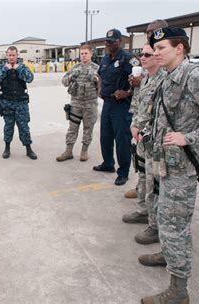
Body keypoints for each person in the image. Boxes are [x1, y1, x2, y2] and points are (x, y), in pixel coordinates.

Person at [140, 27, 199, 303]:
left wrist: (189, 138)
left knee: (174, 226)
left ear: (180, 47)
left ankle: (179, 291)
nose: (156, 53)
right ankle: (167, 254)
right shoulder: (169, 76)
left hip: (182, 170)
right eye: (154, 48)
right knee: (166, 222)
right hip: (165, 164)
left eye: (162, 47)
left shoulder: (195, 76)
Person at [121, 43, 166, 248]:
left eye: (148, 54)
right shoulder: (145, 79)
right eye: (142, 54)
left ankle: (155, 226)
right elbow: (138, 107)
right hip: (142, 138)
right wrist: (135, 127)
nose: (143, 58)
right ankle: (144, 211)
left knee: (154, 183)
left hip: (157, 142)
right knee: (141, 174)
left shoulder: (164, 80)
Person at [124, 19, 169, 200]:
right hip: (143, 126)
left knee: (157, 177)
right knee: (142, 164)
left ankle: (148, 198)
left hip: (160, 134)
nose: (150, 35)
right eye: (148, 32)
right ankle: (142, 190)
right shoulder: (148, 69)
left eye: (154, 32)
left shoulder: (167, 68)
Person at [95, 28, 139, 185]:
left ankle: (123, 172)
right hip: (107, 103)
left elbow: (140, 80)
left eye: (111, 41)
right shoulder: (106, 58)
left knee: (122, 140)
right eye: (106, 41)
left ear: (120, 42)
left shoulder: (129, 58)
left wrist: (127, 93)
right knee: (105, 137)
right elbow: (100, 75)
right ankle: (108, 164)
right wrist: (100, 88)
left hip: (121, 106)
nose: (108, 44)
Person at [0, 46, 37, 160]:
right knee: (8, 126)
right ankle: (7, 148)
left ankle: (28, 149)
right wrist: (5, 69)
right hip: (7, 102)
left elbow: (30, 78)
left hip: (21, 103)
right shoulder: (2, 67)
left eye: (13, 55)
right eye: (9, 55)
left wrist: (19, 69)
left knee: (24, 127)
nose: (11, 57)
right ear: (6, 55)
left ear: (17, 55)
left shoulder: (22, 67)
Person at [57, 44, 99, 162]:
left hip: (90, 103)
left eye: (86, 53)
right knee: (72, 128)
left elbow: (103, 84)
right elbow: (64, 81)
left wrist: (96, 79)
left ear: (91, 54)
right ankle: (68, 151)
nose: (84, 56)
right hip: (76, 103)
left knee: (88, 128)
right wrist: (70, 77)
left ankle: (84, 151)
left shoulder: (97, 68)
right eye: (82, 53)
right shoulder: (75, 67)